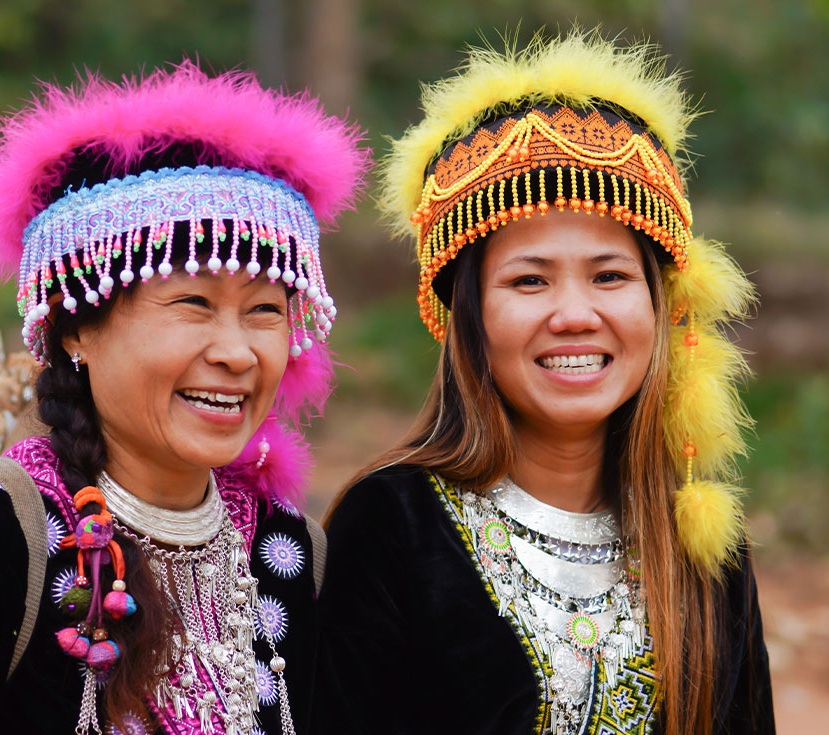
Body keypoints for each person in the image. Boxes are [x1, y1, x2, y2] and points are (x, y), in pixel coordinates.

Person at [0, 63, 367, 735]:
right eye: (193, 303)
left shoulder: (289, 555)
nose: (237, 353)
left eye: (264, 311)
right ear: (77, 330)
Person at [313, 33, 773, 735]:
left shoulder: (704, 544)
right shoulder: (391, 524)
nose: (575, 315)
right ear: (468, 318)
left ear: (661, 306)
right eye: (529, 281)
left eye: (610, 276)